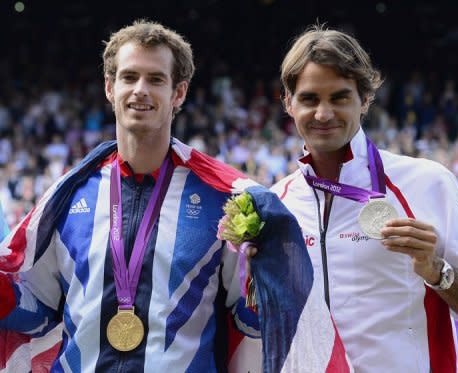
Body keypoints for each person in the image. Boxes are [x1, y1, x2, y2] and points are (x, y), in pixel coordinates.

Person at [0, 20, 346, 373]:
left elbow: (251, 328)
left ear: (178, 93)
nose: (140, 90)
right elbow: (39, 314)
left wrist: (263, 279)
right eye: (129, 77)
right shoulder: (69, 196)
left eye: (155, 79)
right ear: (109, 87)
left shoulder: (223, 200)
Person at [271, 25, 458, 373]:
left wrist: (436, 271)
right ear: (288, 102)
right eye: (309, 99)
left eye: (339, 97)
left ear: (365, 100)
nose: (323, 114)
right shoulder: (277, 205)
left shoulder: (427, 183)